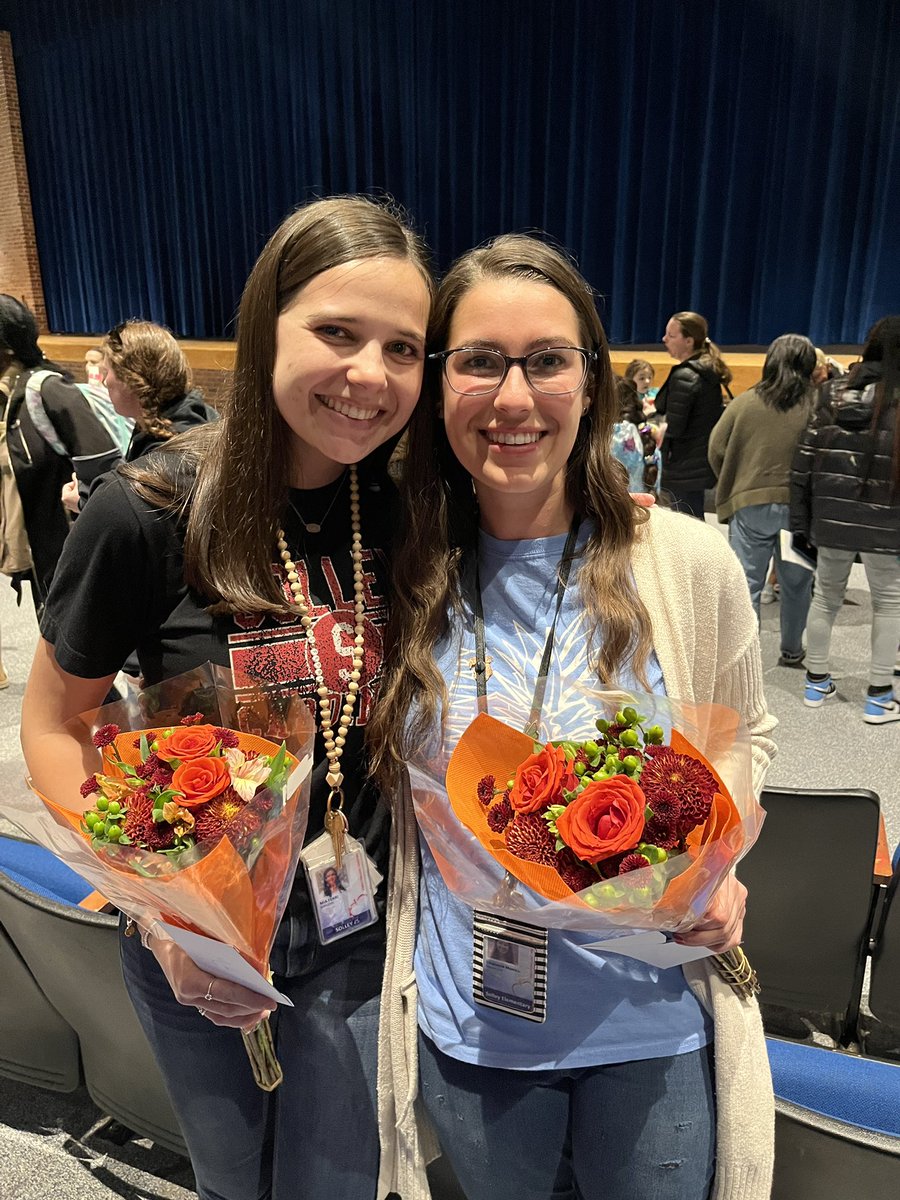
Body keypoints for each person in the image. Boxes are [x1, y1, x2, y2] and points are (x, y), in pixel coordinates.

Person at [20, 195, 434, 1200]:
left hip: (357, 934)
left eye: (404, 348)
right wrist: (161, 915)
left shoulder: (410, 503)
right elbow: (54, 724)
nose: (370, 375)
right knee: (233, 1186)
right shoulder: (152, 507)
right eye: (336, 333)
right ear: (264, 326)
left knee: (336, 1187)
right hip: (198, 946)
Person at [369, 235, 777, 1200]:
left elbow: (747, 733)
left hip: (653, 1020)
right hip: (474, 1025)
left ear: (591, 382)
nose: (514, 399)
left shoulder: (685, 562)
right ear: (438, 385)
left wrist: (719, 869)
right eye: (478, 362)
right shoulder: (402, 576)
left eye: (547, 361)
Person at [791, 315, 900, 724]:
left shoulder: (830, 392)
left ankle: (815, 682)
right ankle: (878, 696)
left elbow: (802, 461)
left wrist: (800, 521)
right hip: (886, 522)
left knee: (826, 597)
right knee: (889, 604)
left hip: (831, 518)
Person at [0, 295, 117, 610]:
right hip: (42, 564)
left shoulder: (47, 392)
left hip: (75, 563)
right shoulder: (6, 401)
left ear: (7, 350)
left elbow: (106, 471)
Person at [708, 334, 817, 667]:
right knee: (798, 584)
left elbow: (716, 448)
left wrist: (737, 479)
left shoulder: (745, 402)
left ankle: (747, 657)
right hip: (801, 510)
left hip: (749, 503)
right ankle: (792, 650)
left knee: (747, 584)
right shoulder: (818, 405)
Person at [62, 320, 217, 512]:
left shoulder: (166, 462)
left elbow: (150, 521)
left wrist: (88, 505)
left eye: (106, 371)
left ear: (131, 379)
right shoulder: (199, 414)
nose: (103, 381)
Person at [655, 311, 732, 519]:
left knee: (686, 523)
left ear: (688, 341)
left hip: (684, 465)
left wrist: (657, 430)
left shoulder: (685, 376)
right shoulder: (707, 371)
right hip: (698, 463)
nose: (664, 340)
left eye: (671, 336)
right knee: (694, 520)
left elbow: (675, 427)